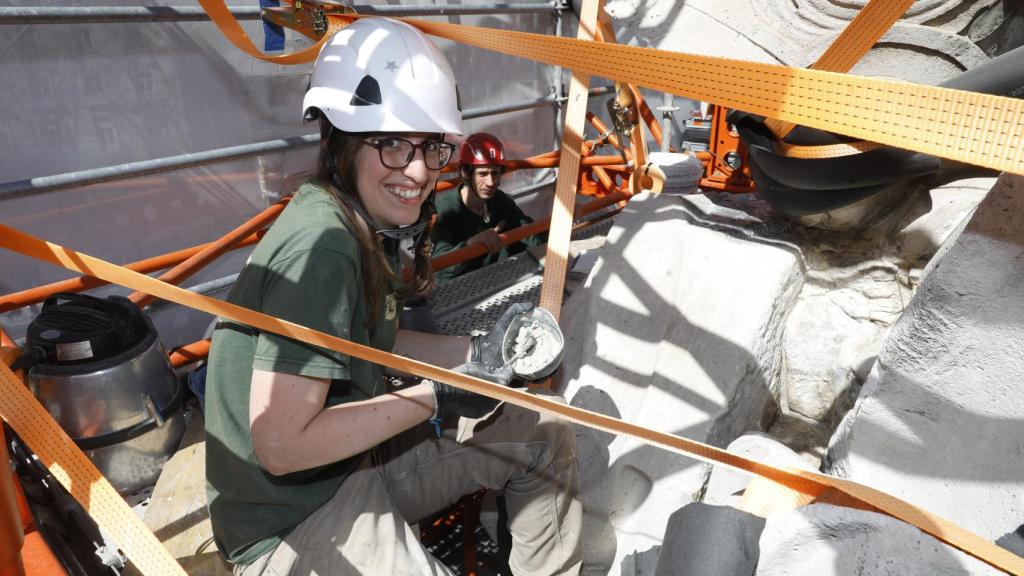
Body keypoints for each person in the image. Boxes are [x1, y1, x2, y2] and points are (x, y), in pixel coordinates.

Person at [203, 18, 582, 576]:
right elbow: (281, 445)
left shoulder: (357, 223)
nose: (418, 170)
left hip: (347, 462)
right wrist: (438, 398)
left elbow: (371, 341)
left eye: (431, 147)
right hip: (287, 518)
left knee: (542, 428)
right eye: (390, 144)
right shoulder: (325, 245)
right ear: (340, 142)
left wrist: (482, 353)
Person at [431, 132, 544, 284]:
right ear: (464, 172)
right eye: (483, 174)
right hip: (464, 291)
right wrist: (472, 244)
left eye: (495, 173)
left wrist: (562, 224)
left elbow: (531, 234)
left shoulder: (499, 200)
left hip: (503, 278)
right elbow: (439, 270)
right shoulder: (444, 212)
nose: (491, 182)